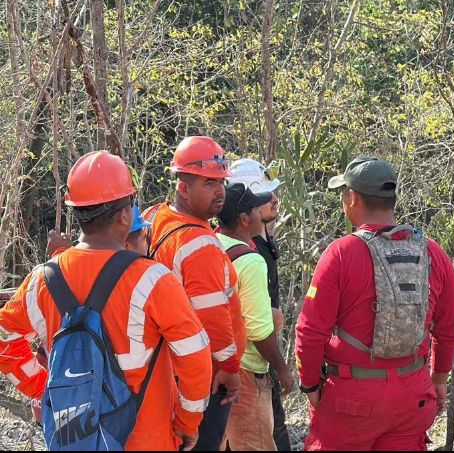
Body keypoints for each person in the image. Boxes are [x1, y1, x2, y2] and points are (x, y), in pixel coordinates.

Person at [0, 151, 212, 450]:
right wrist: (189, 422)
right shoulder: (154, 280)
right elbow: (195, 356)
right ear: (125, 215)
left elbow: (5, 343)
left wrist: (45, 390)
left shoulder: (42, 280)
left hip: (75, 439)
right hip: (146, 440)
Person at [295, 156, 454, 451]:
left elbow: (310, 331)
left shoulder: (341, 254)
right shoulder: (433, 252)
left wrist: (310, 385)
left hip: (351, 400)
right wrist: (438, 379)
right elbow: (449, 329)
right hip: (412, 395)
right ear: (392, 200)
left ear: (351, 198)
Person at [144, 136, 247, 451]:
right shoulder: (200, 244)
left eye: (221, 183)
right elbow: (212, 317)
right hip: (203, 377)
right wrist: (229, 369)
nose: (220, 192)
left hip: (163, 372)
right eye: (208, 183)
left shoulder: (152, 218)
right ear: (183, 188)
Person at [217, 183, 295, 450]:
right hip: (246, 372)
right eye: (254, 208)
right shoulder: (251, 261)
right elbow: (259, 332)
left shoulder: (212, 244)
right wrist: (282, 370)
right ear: (244, 218)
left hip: (214, 367)